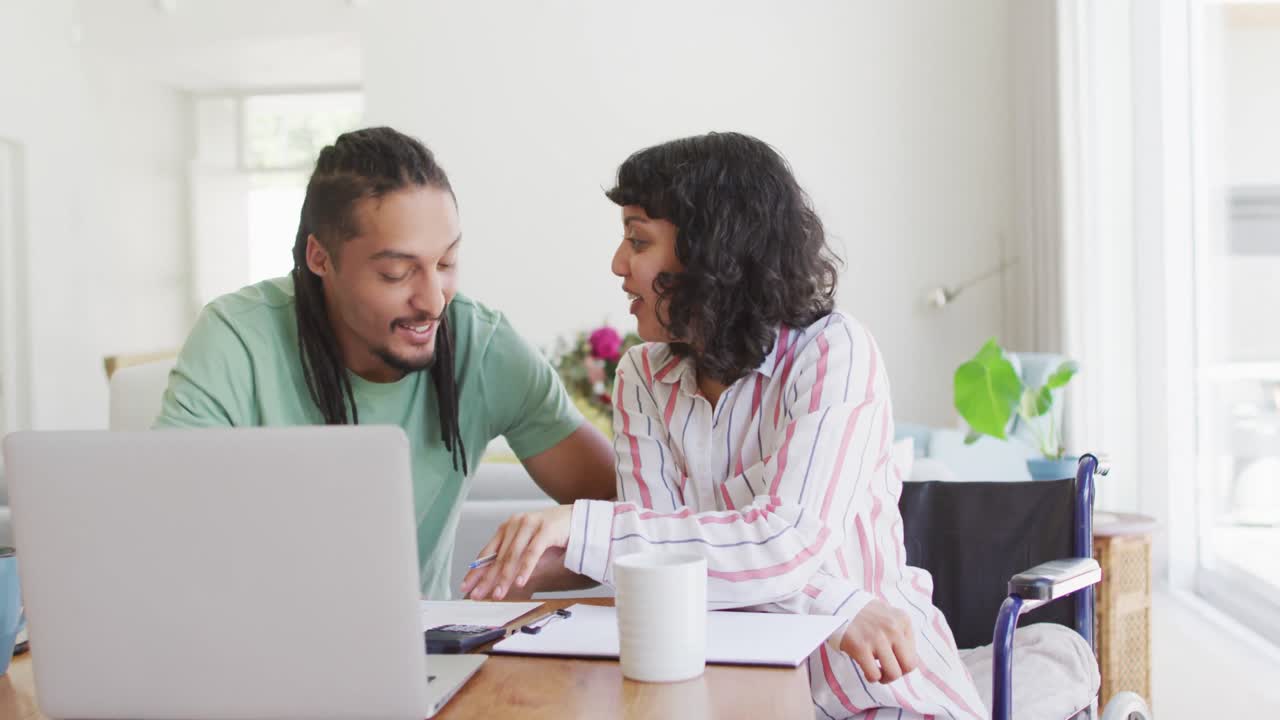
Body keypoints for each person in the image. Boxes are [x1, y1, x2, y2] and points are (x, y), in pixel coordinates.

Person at [462, 132, 986, 719]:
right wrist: (838, 602)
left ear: (713, 253)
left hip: (876, 689)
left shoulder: (834, 354)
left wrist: (579, 527)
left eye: (638, 240)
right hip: (726, 687)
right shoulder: (641, 374)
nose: (617, 264)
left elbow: (784, 545)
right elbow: (662, 570)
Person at [155, 126, 615, 600]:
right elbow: (162, 525)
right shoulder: (237, 338)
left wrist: (535, 566)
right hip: (251, 642)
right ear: (320, 257)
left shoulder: (484, 348)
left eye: (446, 263)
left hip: (422, 655)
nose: (433, 301)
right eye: (396, 273)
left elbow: (631, 517)